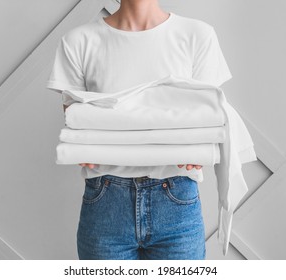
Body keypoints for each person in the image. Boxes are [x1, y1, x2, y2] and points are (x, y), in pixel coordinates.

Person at [46, 0, 232, 260]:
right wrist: (83, 146)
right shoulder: (78, 41)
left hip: (177, 200)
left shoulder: (197, 35)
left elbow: (208, 118)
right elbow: (76, 124)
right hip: (106, 202)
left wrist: (197, 148)